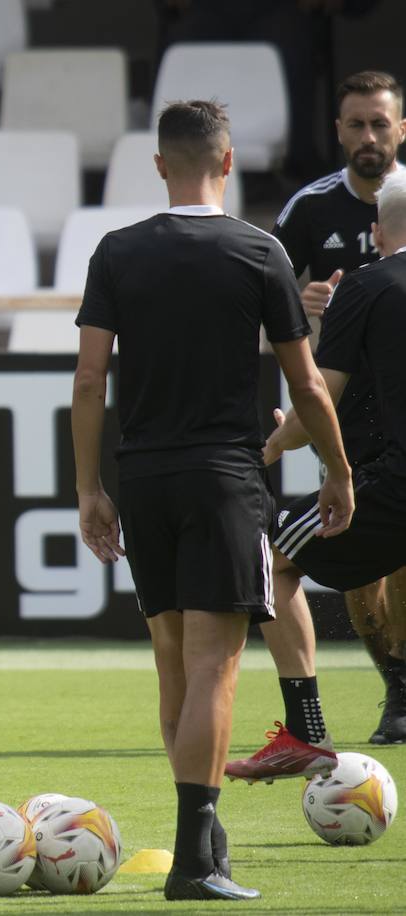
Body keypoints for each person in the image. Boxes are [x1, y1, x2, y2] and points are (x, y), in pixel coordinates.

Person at [73, 99, 353, 901]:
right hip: (226, 479)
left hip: (146, 477)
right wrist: (336, 472)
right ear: (227, 163)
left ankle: (206, 837)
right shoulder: (259, 251)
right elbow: (304, 382)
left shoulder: (116, 252)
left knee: (174, 665)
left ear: (161, 165)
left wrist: (91, 487)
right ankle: (195, 861)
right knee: (215, 670)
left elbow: (90, 379)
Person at [230, 169, 406, 781]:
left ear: (378, 230)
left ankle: (306, 735)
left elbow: (318, 396)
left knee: (270, 561)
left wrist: (275, 442)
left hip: (395, 485)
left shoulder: (369, 284)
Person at [267, 69, 406, 746]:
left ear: (401, 129)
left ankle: (395, 695)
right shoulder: (310, 209)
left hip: (388, 414)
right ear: (339, 132)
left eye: (381, 123)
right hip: (344, 415)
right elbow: (265, 306)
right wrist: (304, 309)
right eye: (357, 124)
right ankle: (396, 684)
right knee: (365, 564)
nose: (369, 137)